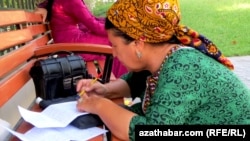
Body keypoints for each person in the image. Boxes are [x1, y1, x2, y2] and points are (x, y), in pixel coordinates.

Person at [76, 0, 250, 141]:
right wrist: (104, 90)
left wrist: (99, 105)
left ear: (138, 44)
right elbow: (134, 82)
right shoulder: (163, 56)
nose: (113, 53)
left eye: (114, 45)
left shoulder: (183, 68)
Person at [34, 0, 127, 78]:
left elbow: (90, 20)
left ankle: (113, 80)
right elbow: (93, 24)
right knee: (116, 41)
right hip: (70, 46)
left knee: (113, 39)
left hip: (66, 43)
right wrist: (121, 31)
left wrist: (113, 25)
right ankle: (121, 82)